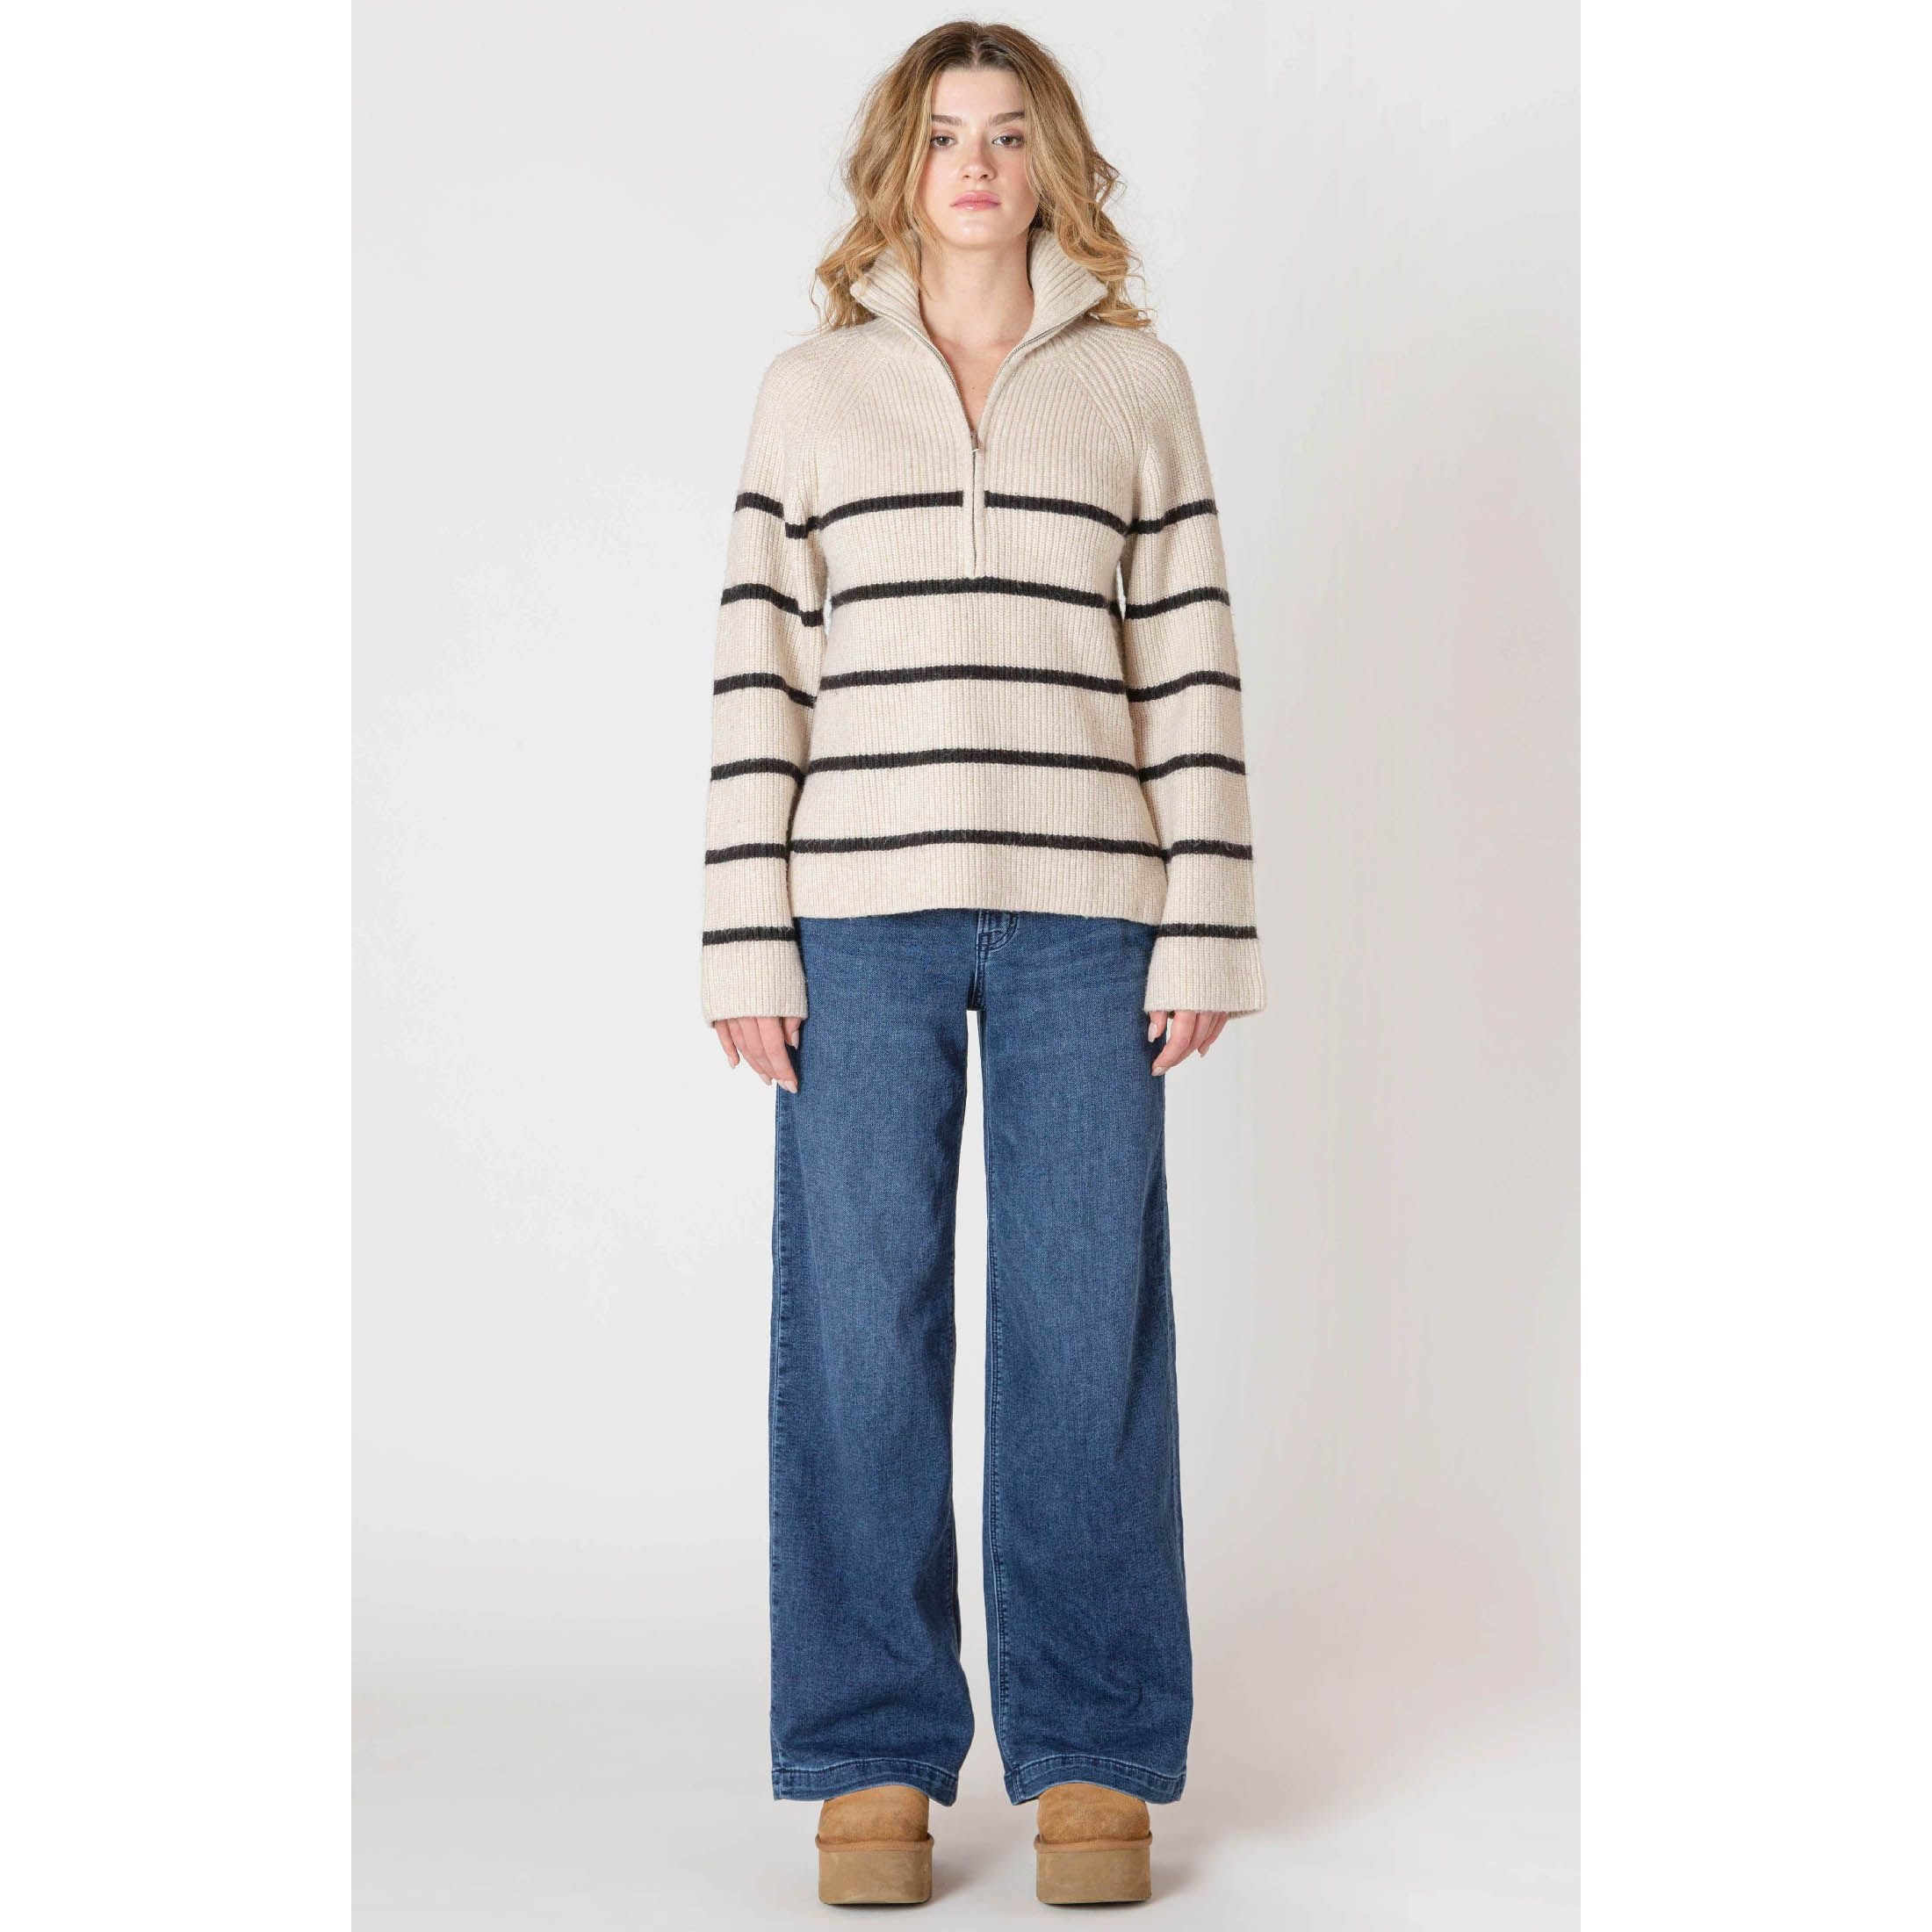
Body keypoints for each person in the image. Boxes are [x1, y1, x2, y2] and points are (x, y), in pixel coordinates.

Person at [699, 20, 1266, 1907]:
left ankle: (1095, 1752)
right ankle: (870, 1754)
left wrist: (1206, 918)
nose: (973, 161)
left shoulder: (1137, 386)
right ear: (900, 165)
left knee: (1084, 1325)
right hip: (852, 915)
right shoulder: (809, 393)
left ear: (1050, 166)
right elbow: (759, 672)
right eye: (943, 133)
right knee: (856, 1324)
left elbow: (1190, 660)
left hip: (1090, 911)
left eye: (1008, 133)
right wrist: (743, 934)